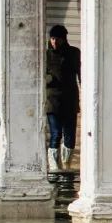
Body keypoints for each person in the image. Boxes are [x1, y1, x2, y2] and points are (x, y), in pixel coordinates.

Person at [46, 24, 81, 172]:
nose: (54, 42)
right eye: (52, 38)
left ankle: (66, 165)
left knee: (70, 135)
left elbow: (80, 72)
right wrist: (49, 79)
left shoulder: (73, 53)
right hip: (52, 101)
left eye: (57, 39)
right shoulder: (46, 55)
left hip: (70, 100)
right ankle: (54, 167)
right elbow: (39, 73)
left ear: (64, 39)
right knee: (55, 133)